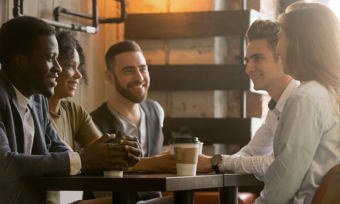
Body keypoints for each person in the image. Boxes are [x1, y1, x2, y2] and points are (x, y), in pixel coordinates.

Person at [0, 16, 141, 204]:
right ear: (21, 62)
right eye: (51, 59)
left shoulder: (38, 100)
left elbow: (58, 149)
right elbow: (5, 164)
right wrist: (83, 159)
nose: (57, 68)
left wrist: (114, 154)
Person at [255, 2, 340, 203]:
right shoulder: (331, 94)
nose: (277, 49)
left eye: (279, 38)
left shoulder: (306, 98)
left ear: (299, 43)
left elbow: (283, 184)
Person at [198, 20, 298, 180]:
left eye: (257, 58)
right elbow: (250, 152)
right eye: (247, 60)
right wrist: (218, 162)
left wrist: (217, 162)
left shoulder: (300, 100)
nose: (248, 68)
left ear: (281, 56)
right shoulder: (276, 107)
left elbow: (276, 163)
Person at [91, 40, 175, 202]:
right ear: (110, 77)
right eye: (128, 70)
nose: (139, 77)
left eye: (143, 69)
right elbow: (99, 183)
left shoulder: (156, 111)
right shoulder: (94, 122)